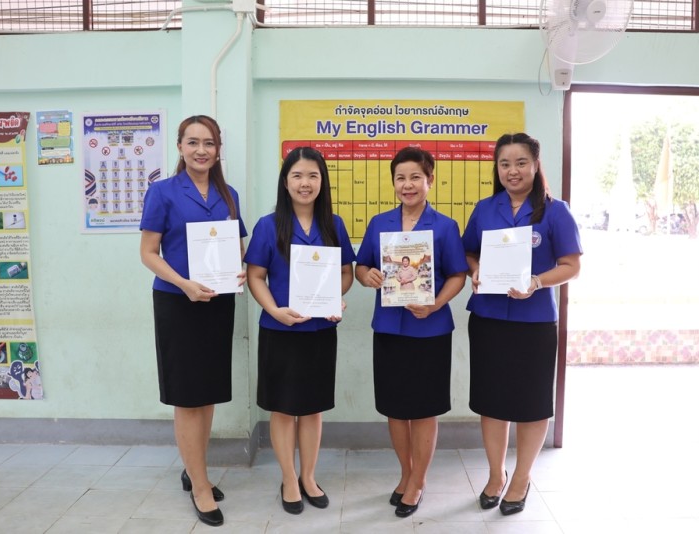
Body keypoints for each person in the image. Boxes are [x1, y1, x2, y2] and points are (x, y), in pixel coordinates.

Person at [462, 133, 582, 515]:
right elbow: (469, 251)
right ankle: (496, 474)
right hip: (488, 319)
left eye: (520, 163)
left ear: (535, 165)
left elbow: (572, 266)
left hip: (535, 323)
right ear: (497, 168)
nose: (512, 171)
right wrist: (475, 269)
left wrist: (537, 281)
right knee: (492, 401)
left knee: (532, 404)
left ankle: (521, 477)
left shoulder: (556, 211)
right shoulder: (485, 209)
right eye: (504, 164)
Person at [139, 115, 247, 527]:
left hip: (218, 302)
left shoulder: (229, 194)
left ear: (218, 150)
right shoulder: (162, 191)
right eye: (193, 142)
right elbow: (148, 253)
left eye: (209, 143)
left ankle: (194, 467)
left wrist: (240, 269)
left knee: (208, 391)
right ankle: (200, 485)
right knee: (187, 395)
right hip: (178, 302)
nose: (201, 150)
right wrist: (184, 283)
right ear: (180, 147)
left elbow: (237, 247)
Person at [355, 146, 468, 518]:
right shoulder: (379, 223)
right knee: (395, 408)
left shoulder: (445, 226)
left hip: (430, 329)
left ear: (430, 180)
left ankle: (418, 481)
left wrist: (435, 303)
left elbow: (458, 275)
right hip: (389, 328)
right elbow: (361, 267)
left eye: (415, 177)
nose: (408, 185)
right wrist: (368, 276)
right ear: (393, 182)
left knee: (423, 410)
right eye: (400, 178)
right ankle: (406, 473)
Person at [245, 146, 355, 515]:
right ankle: (289, 478)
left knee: (311, 409)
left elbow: (346, 273)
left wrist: (335, 298)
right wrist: (274, 310)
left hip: (320, 330)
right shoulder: (268, 225)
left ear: (322, 181)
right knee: (282, 409)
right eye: (297, 176)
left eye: (312, 176)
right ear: (285, 182)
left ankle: (308, 476)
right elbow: (255, 276)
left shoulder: (333, 224)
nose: (304, 183)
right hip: (279, 331)